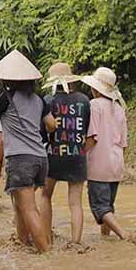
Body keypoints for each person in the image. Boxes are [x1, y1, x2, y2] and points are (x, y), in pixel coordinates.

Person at [0, 50, 56, 253]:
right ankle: (23, 245)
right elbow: (51, 124)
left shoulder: (7, 97)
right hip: (41, 158)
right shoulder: (40, 99)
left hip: (20, 159)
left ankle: (46, 253)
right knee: (20, 206)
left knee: (29, 208)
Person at [81, 67, 136, 244]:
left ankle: (124, 235)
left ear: (95, 89)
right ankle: (105, 239)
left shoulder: (94, 106)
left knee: (100, 207)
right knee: (108, 206)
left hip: (99, 163)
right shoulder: (119, 109)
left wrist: (79, 154)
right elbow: (123, 143)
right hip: (116, 164)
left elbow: (92, 138)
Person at [40, 63, 91, 245]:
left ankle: (47, 239)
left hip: (52, 155)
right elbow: (86, 130)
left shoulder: (47, 101)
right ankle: (76, 242)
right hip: (77, 155)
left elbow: (43, 132)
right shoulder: (84, 100)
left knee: (46, 195)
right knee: (75, 202)